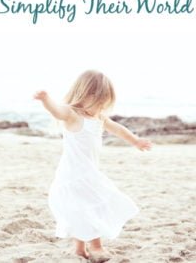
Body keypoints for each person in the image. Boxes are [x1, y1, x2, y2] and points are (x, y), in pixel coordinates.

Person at [33, 69, 152, 262]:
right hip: (72, 175)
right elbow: (57, 111)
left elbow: (118, 129)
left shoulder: (99, 118)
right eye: (99, 102)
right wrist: (46, 99)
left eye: (105, 104)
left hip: (89, 173)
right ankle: (96, 247)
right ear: (85, 95)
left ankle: (79, 249)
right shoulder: (73, 115)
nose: (101, 107)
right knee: (88, 207)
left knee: (84, 208)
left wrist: (135, 141)